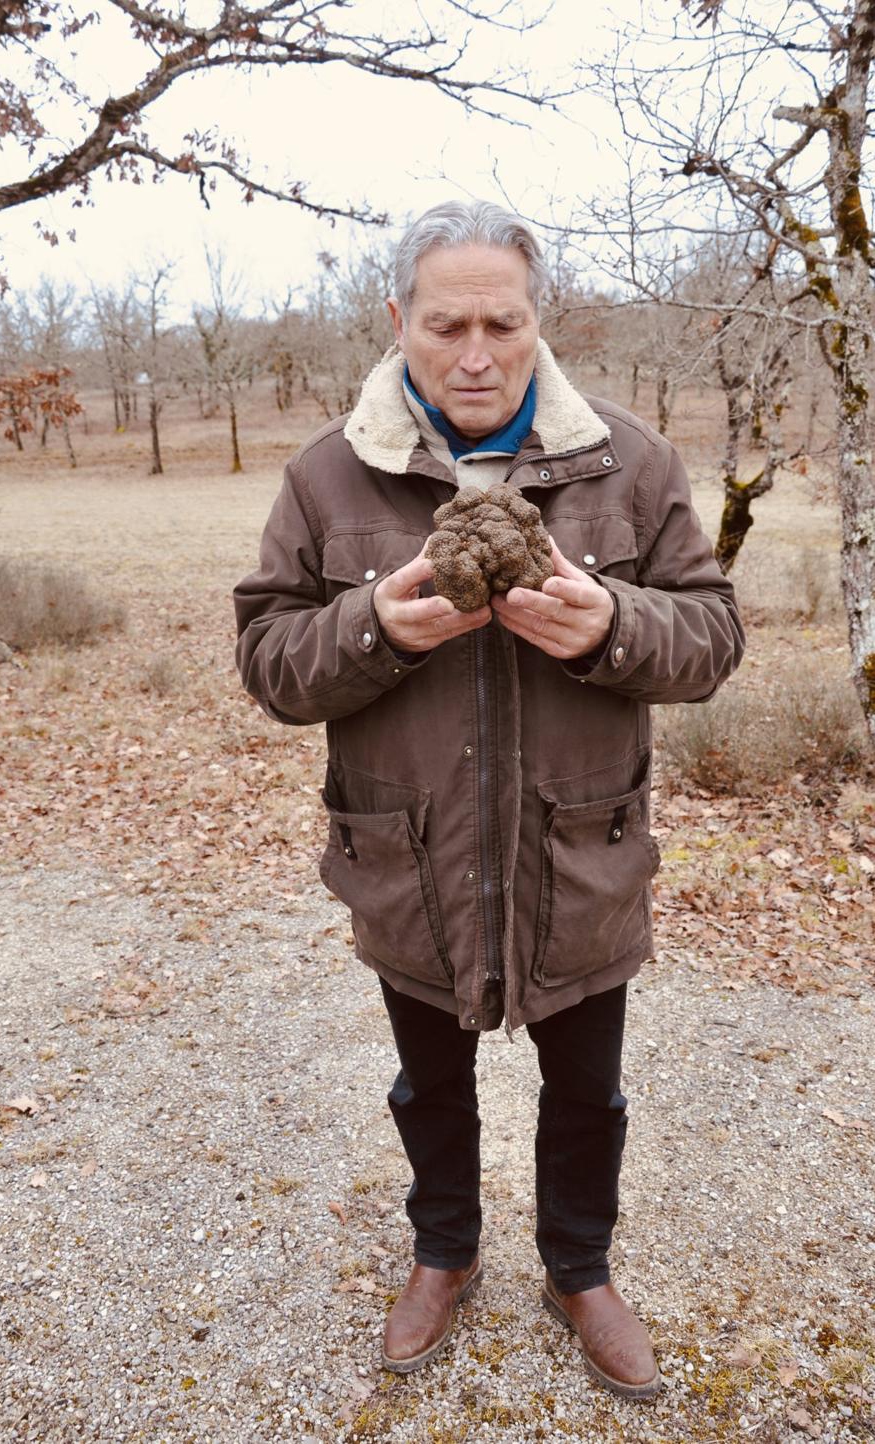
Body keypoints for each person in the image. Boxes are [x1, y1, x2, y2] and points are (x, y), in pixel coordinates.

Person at [233, 200, 744, 1399]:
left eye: (500, 324)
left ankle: (579, 1266)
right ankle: (443, 1251)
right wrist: (373, 627)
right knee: (427, 1082)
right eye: (446, 323)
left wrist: (614, 623)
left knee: (589, 1089)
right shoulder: (326, 474)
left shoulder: (631, 460)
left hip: (582, 852)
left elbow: (712, 637)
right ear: (398, 319)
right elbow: (267, 657)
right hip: (408, 856)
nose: (474, 354)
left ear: (535, 322)